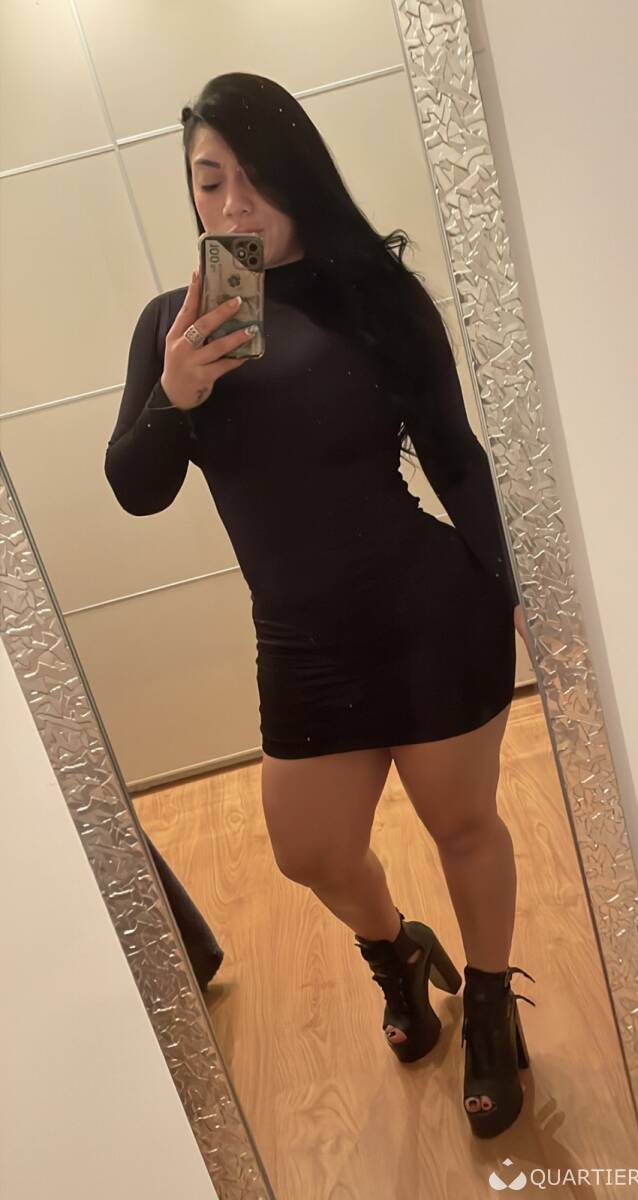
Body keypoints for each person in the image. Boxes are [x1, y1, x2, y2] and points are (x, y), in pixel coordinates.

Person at [105, 73, 535, 1139]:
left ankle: (490, 1009)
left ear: (300, 175)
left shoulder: (377, 295)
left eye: (255, 178)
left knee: (462, 824)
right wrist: (177, 394)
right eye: (210, 181)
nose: (234, 205)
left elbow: (454, 456)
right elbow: (136, 489)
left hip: (428, 615)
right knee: (309, 851)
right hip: (301, 643)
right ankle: (396, 950)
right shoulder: (172, 326)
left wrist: (508, 588)